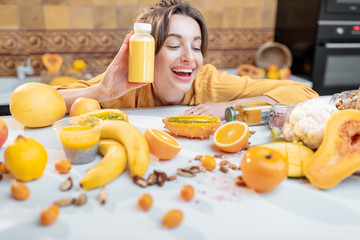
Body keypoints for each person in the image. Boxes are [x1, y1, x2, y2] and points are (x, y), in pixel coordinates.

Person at [56, 0, 319, 120]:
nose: (189, 58)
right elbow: (41, 103)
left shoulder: (210, 83)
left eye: (196, 47)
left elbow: (304, 93)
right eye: (173, 44)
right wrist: (100, 91)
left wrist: (232, 106)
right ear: (147, 53)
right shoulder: (122, 85)